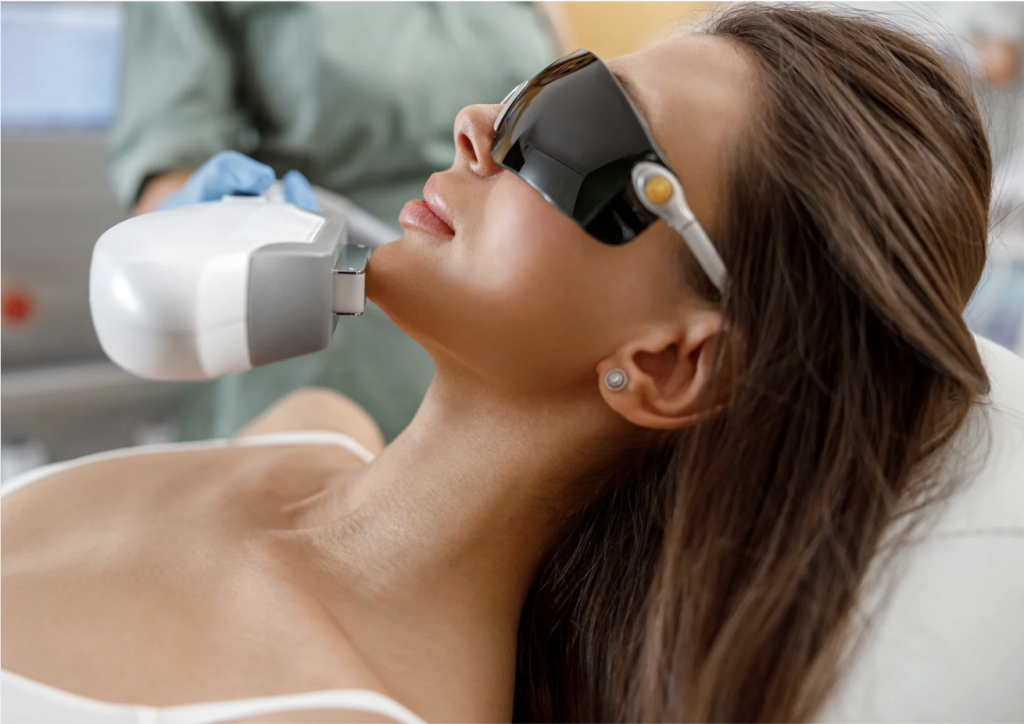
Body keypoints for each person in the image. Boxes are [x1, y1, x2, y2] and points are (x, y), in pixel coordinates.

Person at [5, 5, 1024, 722]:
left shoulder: (341, 704)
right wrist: (201, 233)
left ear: (671, 365)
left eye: (577, 130)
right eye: (546, 88)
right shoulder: (313, 435)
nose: (478, 126)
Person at [108, 2, 560, 443]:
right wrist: (195, 216)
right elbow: (166, 164)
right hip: (312, 339)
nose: (473, 122)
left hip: (502, 343)